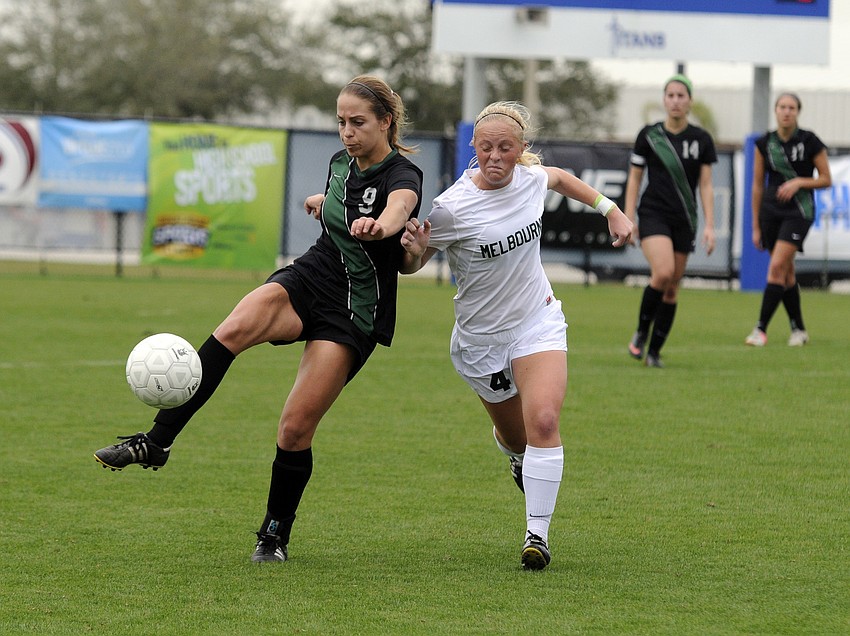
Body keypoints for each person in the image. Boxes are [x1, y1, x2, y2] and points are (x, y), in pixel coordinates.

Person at [94, 75, 423, 563]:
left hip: (355, 307)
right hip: (312, 276)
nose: (346, 132)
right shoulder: (340, 164)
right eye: (340, 121)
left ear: (385, 122)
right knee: (231, 330)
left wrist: (383, 227)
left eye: (358, 122)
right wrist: (321, 200)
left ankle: (273, 535)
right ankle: (157, 442)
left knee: (294, 428)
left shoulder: (402, 174)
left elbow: (399, 207)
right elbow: (343, 195)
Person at [399, 101, 633, 570]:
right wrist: (415, 252)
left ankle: (536, 537)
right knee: (520, 440)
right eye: (486, 148)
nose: (495, 157)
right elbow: (412, 265)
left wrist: (611, 210)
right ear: (474, 148)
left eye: (506, 147)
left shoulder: (530, 179)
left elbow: (562, 179)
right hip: (481, 342)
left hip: (537, 321)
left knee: (544, 421)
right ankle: (516, 456)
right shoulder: (452, 207)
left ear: (521, 149)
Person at [624, 74, 716, 368]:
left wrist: (710, 226)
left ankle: (654, 352)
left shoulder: (701, 139)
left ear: (690, 101)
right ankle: (641, 331)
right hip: (653, 213)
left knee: (673, 287)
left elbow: (705, 185)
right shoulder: (650, 135)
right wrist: (628, 216)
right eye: (671, 95)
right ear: (664, 100)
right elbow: (635, 178)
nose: (676, 100)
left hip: (685, 218)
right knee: (662, 273)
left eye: (681, 95)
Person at [745, 92, 831, 347]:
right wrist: (755, 226)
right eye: (782, 106)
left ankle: (760, 330)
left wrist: (799, 182)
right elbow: (757, 186)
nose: (786, 111)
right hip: (771, 212)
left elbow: (826, 179)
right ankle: (799, 329)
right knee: (786, 272)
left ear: (797, 112)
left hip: (799, 211)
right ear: (775, 110)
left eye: (791, 107)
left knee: (776, 267)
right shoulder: (765, 143)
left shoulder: (809, 141)